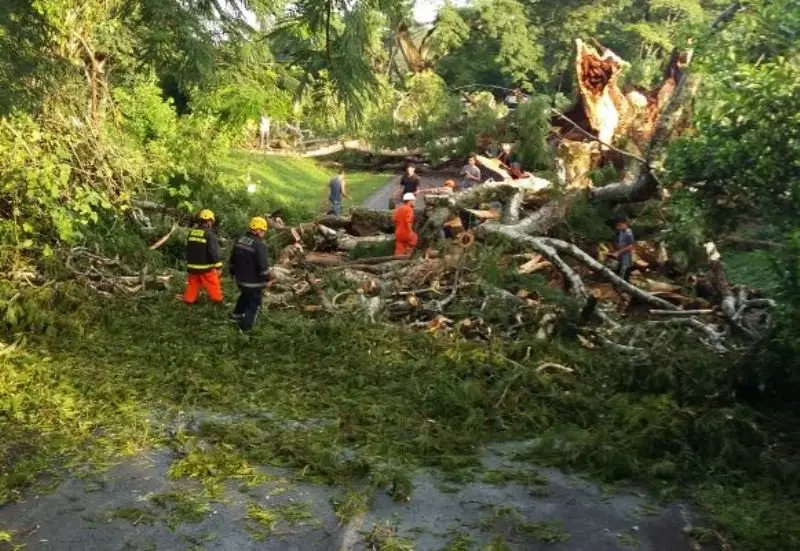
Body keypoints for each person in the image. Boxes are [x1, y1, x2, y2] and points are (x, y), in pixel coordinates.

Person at [229, 216, 270, 331]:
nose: (264, 234)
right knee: (254, 304)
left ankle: (236, 315)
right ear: (258, 230)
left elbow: (232, 259)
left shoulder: (240, 239)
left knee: (245, 296)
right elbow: (263, 266)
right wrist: (267, 278)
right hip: (253, 283)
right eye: (263, 231)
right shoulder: (259, 245)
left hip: (240, 280)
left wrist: (232, 272)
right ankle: (245, 327)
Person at [183, 209, 223, 305]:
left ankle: (189, 300)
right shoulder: (210, 235)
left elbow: (188, 249)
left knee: (193, 284)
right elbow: (213, 252)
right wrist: (218, 266)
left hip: (192, 266)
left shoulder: (191, 233)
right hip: (205, 267)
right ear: (210, 221)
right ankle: (217, 300)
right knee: (213, 283)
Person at [609, 215, 635, 281]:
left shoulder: (628, 233)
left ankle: (624, 287)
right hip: (621, 256)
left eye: (620, 225)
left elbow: (630, 246)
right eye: (617, 226)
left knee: (624, 272)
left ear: (625, 224)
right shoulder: (620, 232)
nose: (618, 227)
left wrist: (618, 252)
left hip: (626, 256)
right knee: (618, 270)